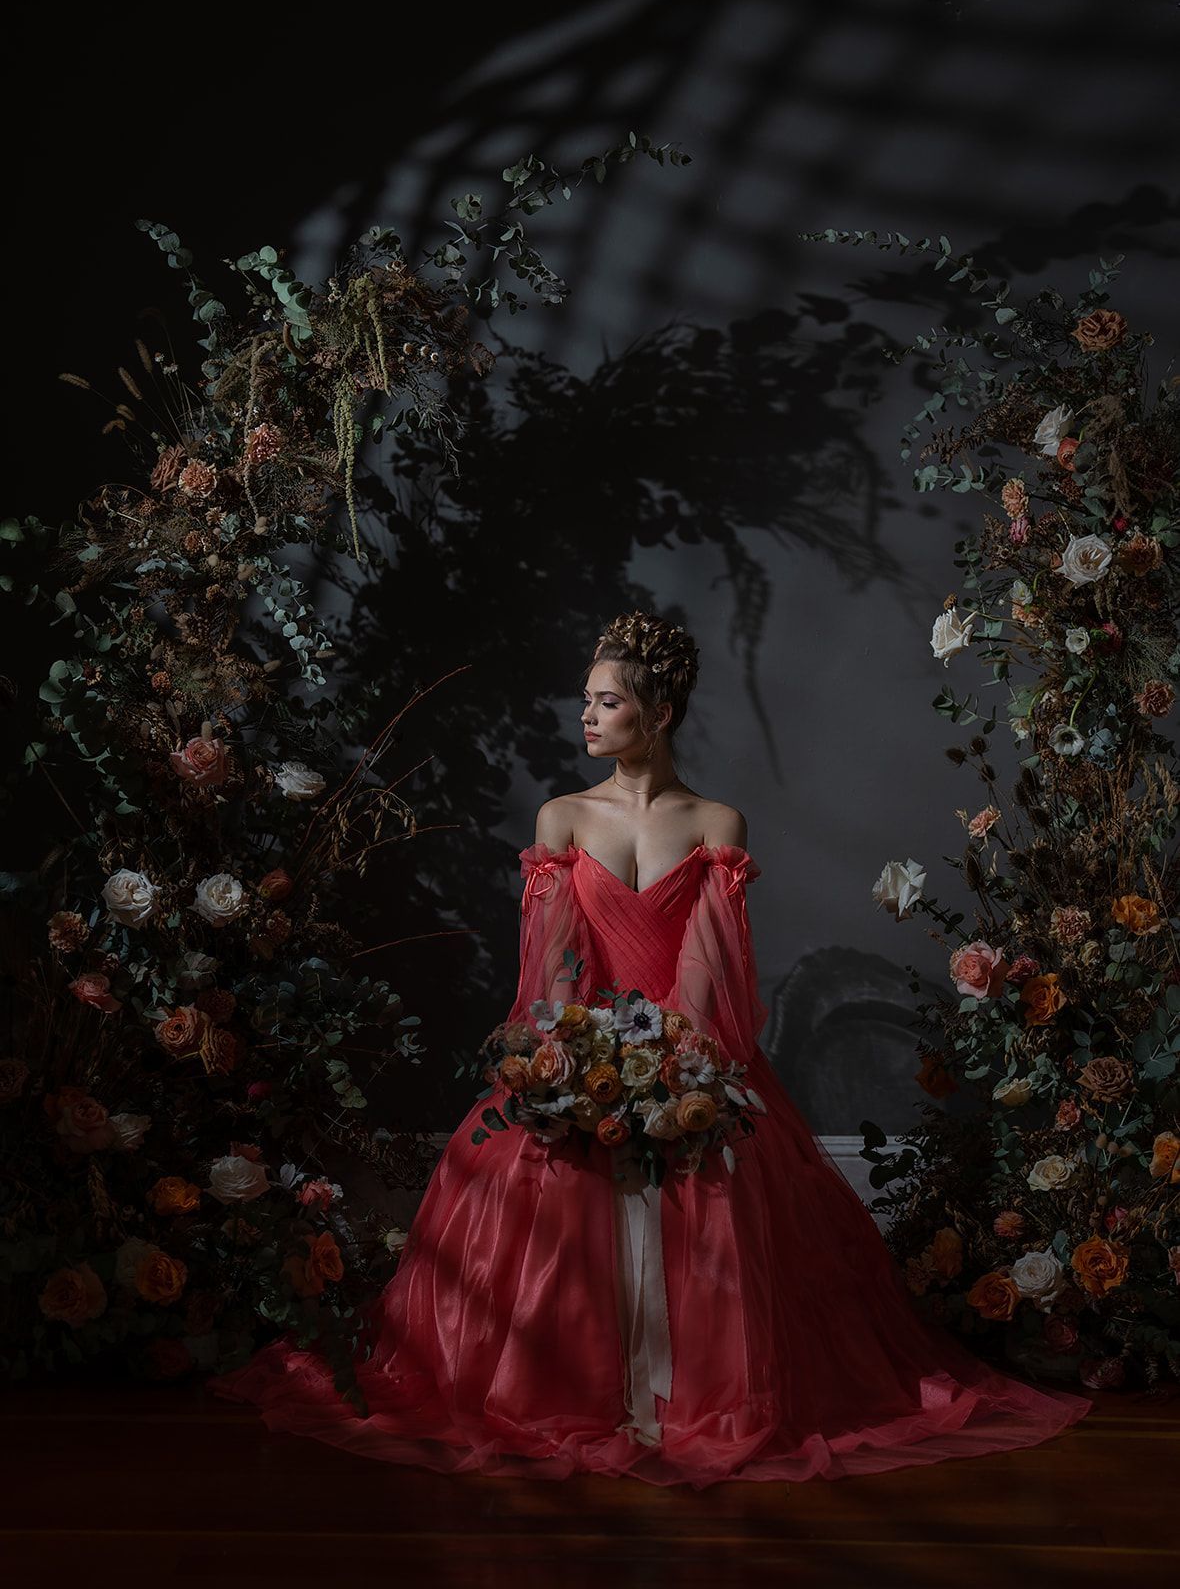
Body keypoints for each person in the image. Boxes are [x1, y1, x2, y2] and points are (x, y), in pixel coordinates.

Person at [208, 609, 1093, 1486]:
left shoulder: (717, 825)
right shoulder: (563, 820)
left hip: (686, 1056)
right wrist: (580, 1074)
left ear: (659, 712)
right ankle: (570, 1388)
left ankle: (686, 1400)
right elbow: (554, 983)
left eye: (607, 703)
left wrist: (668, 1074)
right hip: (582, 1051)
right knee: (528, 1172)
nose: (586, 717)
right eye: (586, 701)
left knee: (727, 1176)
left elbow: (705, 986)